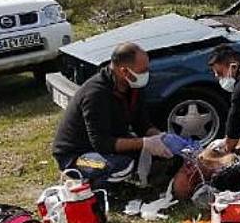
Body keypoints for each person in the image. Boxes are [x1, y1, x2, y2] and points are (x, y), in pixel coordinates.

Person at [52, 43, 174, 187]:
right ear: (124, 71)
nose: (146, 74)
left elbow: (141, 123)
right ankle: (87, 184)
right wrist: (145, 143)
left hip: (106, 145)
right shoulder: (95, 95)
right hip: (76, 157)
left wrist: (161, 138)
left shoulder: (133, 86)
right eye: (143, 71)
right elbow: (102, 143)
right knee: (121, 165)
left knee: (161, 154)